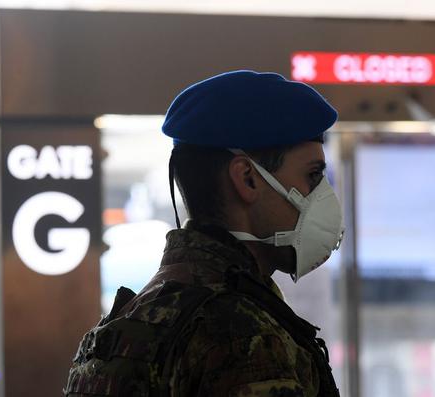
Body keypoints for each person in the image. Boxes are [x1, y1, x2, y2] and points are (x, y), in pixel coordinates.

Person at [64, 70, 344, 397]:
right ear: (248, 179)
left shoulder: (129, 321)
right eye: (312, 176)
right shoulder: (241, 336)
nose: (322, 195)